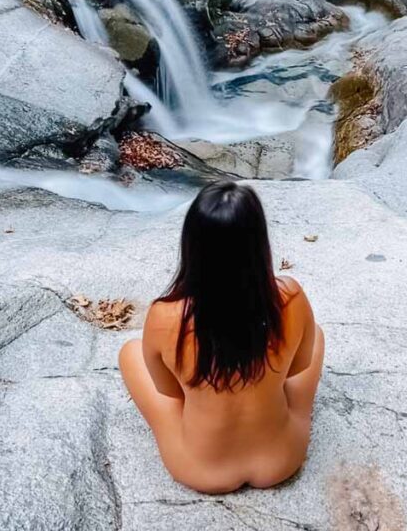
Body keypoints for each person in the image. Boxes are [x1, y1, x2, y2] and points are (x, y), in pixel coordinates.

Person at [119, 180, 325, 494]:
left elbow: (171, 393)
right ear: (259, 244)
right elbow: (298, 368)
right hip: (282, 458)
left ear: (192, 246)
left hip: (200, 469)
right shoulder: (291, 297)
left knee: (130, 352)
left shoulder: (165, 316)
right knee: (317, 336)